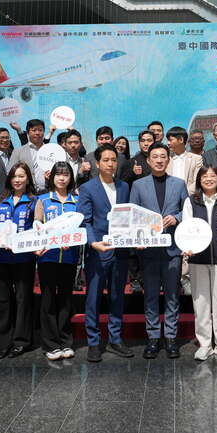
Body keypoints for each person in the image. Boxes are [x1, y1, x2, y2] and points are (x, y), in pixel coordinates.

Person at [130, 144, 189, 359]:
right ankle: (153, 337)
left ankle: (171, 338)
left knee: (172, 296)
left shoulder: (179, 184)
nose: (159, 160)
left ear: (168, 159)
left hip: (172, 249)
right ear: (148, 160)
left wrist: (177, 218)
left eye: (163, 156)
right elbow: (133, 214)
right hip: (148, 250)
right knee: (151, 296)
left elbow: (187, 210)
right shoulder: (138, 185)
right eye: (155, 157)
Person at [79, 145, 133, 362]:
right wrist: (93, 243)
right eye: (106, 160)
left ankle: (115, 339)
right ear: (97, 163)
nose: (111, 164)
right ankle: (93, 342)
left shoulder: (124, 187)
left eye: (114, 160)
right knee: (93, 297)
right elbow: (85, 220)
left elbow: (129, 217)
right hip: (97, 251)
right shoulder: (88, 188)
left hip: (120, 251)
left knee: (117, 296)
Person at [181, 166, 217, 361]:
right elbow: (186, 228)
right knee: (201, 304)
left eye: (212, 176)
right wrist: (187, 246)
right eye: (204, 176)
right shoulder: (191, 202)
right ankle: (205, 344)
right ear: (199, 180)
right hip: (198, 260)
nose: (208, 179)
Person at [34, 162, 80, 360]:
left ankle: (65, 342)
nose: (62, 178)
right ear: (51, 177)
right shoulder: (43, 200)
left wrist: (72, 240)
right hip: (48, 257)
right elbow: (37, 225)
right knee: (48, 300)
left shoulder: (77, 201)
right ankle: (50, 344)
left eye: (66, 174)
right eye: (58, 174)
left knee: (65, 300)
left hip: (70, 257)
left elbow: (81, 228)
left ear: (71, 178)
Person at [0, 162, 37, 358]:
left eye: (21, 176)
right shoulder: (1, 201)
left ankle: (21, 341)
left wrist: (19, 242)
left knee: (23, 299)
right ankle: (3, 342)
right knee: (1, 300)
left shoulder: (34, 202)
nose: (17, 180)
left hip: (24, 258)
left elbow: (37, 228)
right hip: (0, 257)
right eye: (14, 176)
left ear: (28, 179)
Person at [9, 119, 48, 188]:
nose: (37, 133)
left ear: (44, 132)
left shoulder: (51, 150)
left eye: (40, 130)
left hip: (48, 190)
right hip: (26, 191)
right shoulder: (18, 151)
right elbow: (10, 171)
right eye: (34, 130)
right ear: (28, 132)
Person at [166, 126, 203, 196]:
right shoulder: (166, 159)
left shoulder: (196, 159)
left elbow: (197, 180)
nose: (168, 143)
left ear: (181, 140)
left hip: (189, 197)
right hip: (169, 197)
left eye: (170, 140)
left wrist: (184, 195)